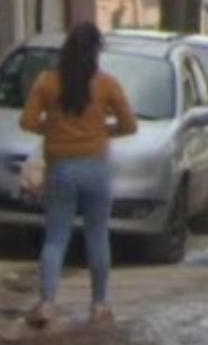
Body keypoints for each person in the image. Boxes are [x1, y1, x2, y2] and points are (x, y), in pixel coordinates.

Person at [20, 22, 136, 328]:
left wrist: (55, 130)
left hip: (60, 167)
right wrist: (102, 131)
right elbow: (130, 125)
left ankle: (47, 302)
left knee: (56, 237)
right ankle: (99, 304)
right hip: (97, 166)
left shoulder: (47, 82)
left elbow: (28, 121)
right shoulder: (107, 85)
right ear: (96, 52)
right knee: (97, 235)